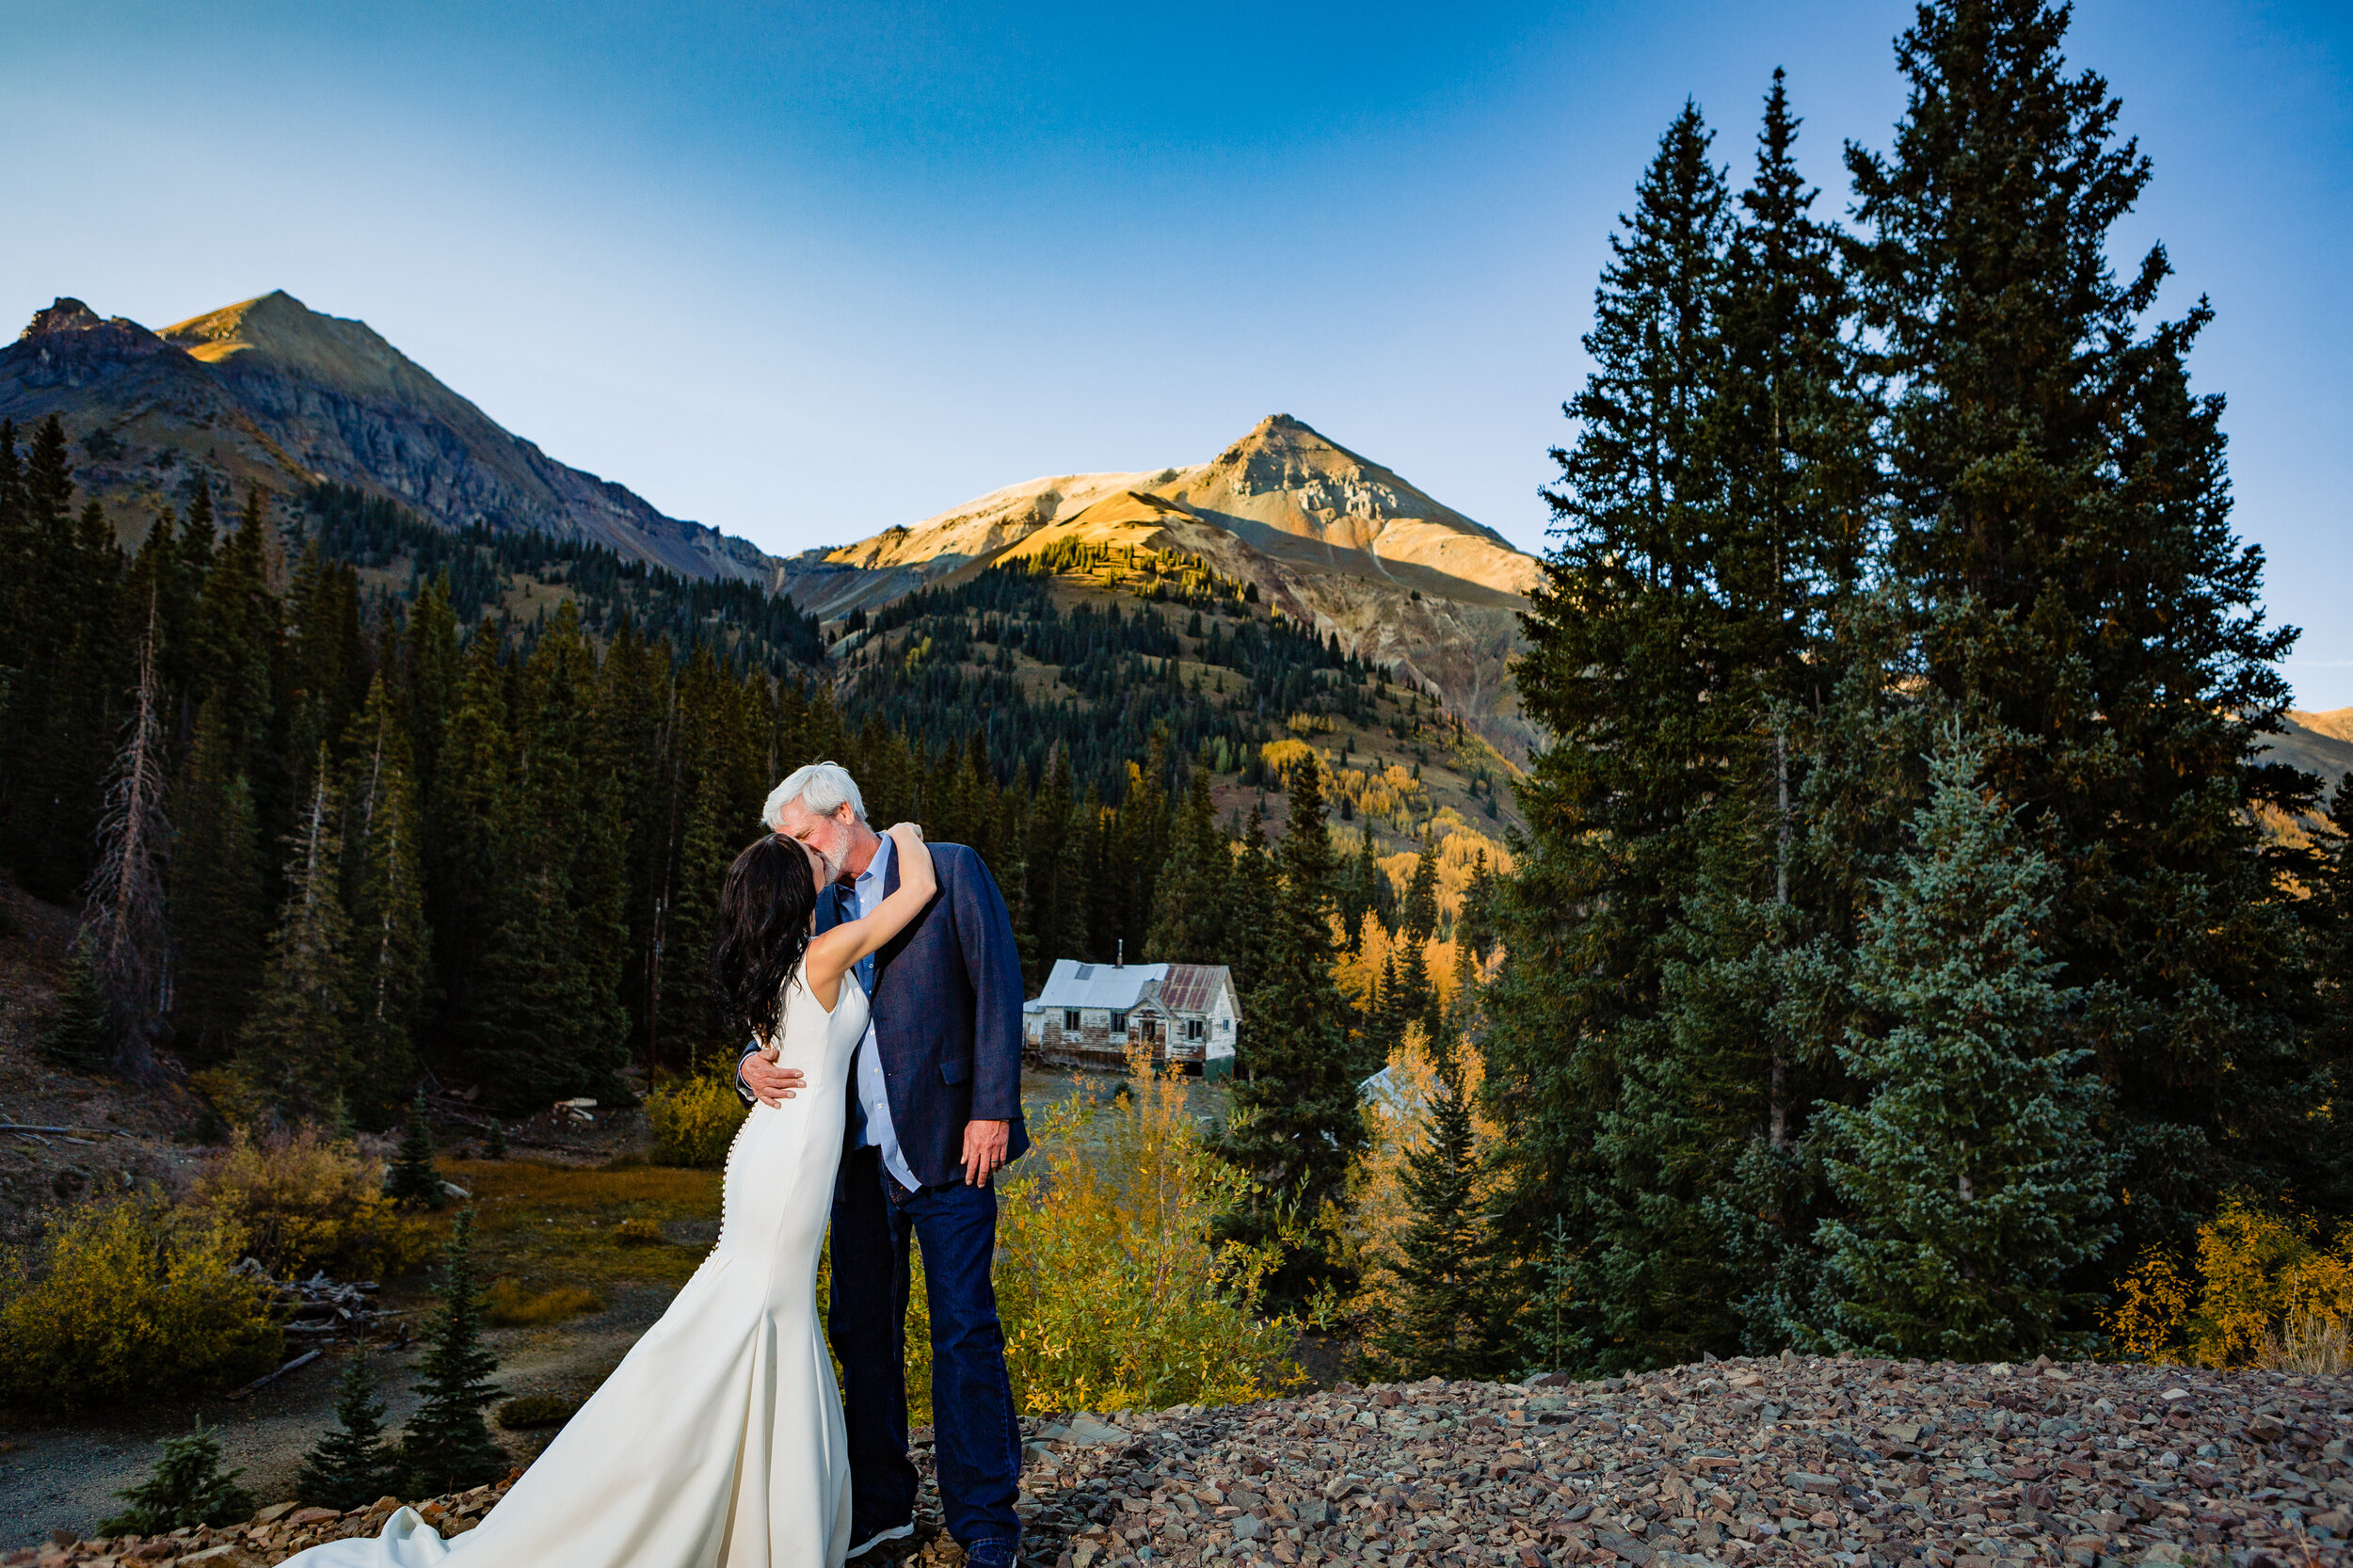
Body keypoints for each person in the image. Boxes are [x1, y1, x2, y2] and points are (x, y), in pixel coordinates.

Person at [276, 819, 946, 1568]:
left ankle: (737, 1502)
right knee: (764, 1312)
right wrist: (908, 832)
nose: (822, 859)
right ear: (795, 895)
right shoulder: (821, 956)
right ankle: (733, 1510)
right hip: (786, 1169)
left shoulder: (773, 969)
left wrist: (748, 1065)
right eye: (809, 860)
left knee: (752, 1317)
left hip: (774, 1155)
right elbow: (916, 887)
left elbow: (776, 1049)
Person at [738, 762, 1028, 1568]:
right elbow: (775, 999)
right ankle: (882, 1510)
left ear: (843, 814)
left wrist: (993, 1108)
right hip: (852, 1166)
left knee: (964, 1331)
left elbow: (999, 991)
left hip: (950, 1145)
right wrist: (744, 1067)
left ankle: (986, 1523)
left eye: (803, 837)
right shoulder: (814, 903)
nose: (799, 854)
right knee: (862, 1333)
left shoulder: (956, 869)